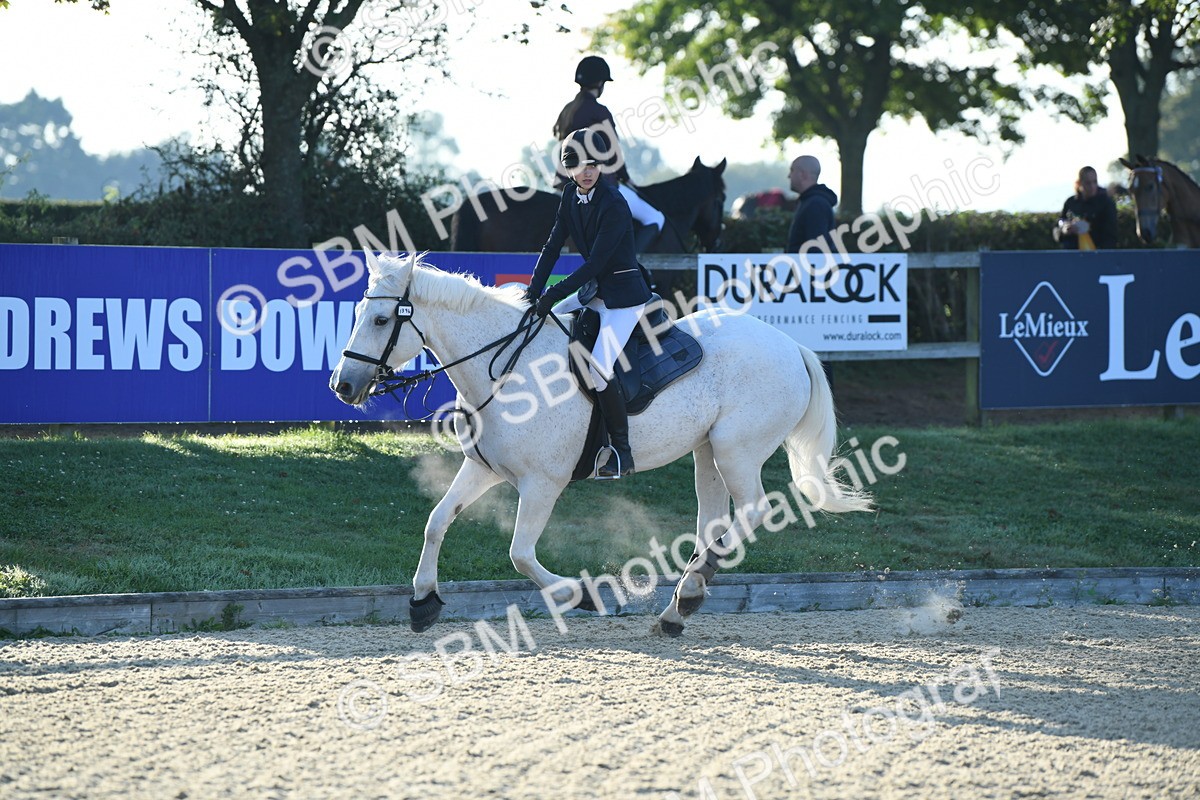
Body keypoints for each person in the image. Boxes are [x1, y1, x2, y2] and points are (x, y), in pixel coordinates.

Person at [526, 128, 652, 479]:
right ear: (568, 169)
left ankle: (622, 452)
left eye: (594, 165)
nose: (588, 171)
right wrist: (533, 292)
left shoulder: (613, 203)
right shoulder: (569, 196)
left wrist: (551, 295)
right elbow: (552, 247)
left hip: (624, 300)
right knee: (543, 326)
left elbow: (595, 263)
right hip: (595, 294)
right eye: (580, 165)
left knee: (598, 367)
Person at [553, 55, 665, 253]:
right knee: (655, 218)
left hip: (564, 184)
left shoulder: (567, 110)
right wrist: (627, 179)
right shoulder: (599, 111)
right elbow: (613, 153)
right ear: (599, 83)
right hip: (597, 183)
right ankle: (633, 266)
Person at [1054, 166, 1118, 250]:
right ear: (1079, 183)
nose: (1092, 186)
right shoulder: (1070, 203)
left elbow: (1111, 235)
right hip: (1072, 256)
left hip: (1098, 255)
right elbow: (1057, 227)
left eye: (1094, 182)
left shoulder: (1106, 203)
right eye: (1088, 183)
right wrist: (1064, 230)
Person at [785, 155, 838, 252]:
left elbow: (816, 250)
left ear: (802, 174)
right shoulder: (812, 202)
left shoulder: (815, 205)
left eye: (792, 170)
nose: (789, 176)